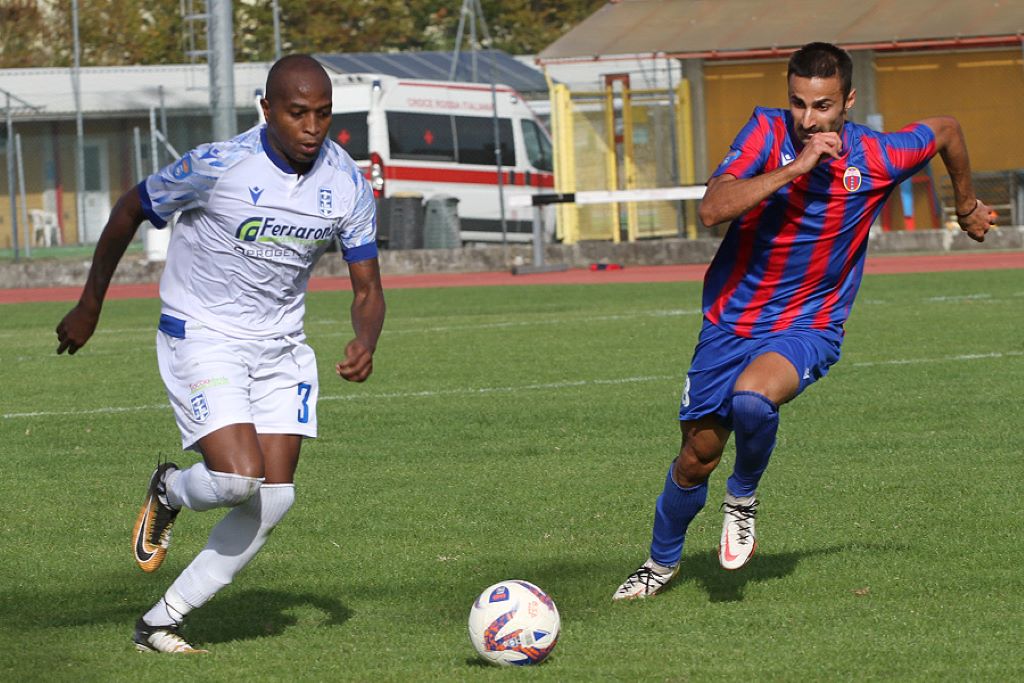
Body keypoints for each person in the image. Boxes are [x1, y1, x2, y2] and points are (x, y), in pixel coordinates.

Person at [613, 42, 992, 600]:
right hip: (729, 323)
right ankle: (659, 564)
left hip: (808, 325)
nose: (808, 118)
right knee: (696, 459)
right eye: (799, 104)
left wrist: (966, 205)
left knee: (752, 400)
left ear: (848, 102)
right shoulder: (765, 134)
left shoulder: (879, 156)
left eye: (822, 106)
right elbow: (712, 209)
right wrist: (797, 167)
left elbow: (947, 130)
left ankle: (742, 498)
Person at [55, 54, 385, 650]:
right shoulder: (217, 165)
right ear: (266, 110)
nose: (313, 127)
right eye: (297, 113)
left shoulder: (348, 183)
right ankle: (171, 491)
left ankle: (162, 619)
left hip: (281, 347)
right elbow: (131, 207)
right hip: (202, 333)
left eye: (324, 114)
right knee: (237, 479)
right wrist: (90, 304)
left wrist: (366, 340)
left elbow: (368, 287)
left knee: (275, 497)